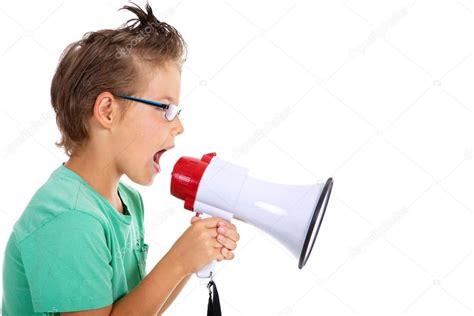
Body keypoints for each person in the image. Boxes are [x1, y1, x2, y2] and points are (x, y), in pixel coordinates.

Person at [2, 2, 240, 315]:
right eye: (164, 108)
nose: (179, 126)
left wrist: (190, 259)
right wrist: (179, 259)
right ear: (107, 111)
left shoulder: (127, 200)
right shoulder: (69, 217)